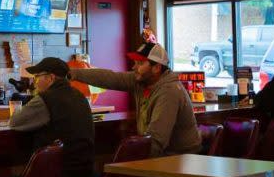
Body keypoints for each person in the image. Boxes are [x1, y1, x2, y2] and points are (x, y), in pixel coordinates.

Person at [9, 56, 95, 177]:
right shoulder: (79, 96)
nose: (35, 81)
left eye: (38, 76)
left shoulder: (45, 100)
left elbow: (14, 123)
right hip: (84, 168)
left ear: (51, 78)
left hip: (60, 173)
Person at [70, 42, 201, 158]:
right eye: (135, 63)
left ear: (156, 68)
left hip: (180, 157)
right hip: (166, 153)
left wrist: (132, 164)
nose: (134, 67)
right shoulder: (142, 80)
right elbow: (110, 77)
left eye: (140, 63)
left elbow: (156, 141)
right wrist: (72, 73)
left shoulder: (169, 92)